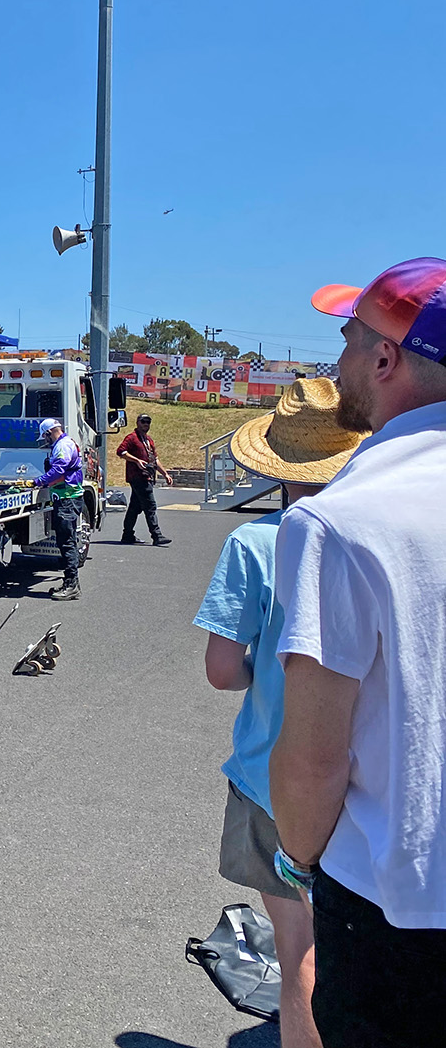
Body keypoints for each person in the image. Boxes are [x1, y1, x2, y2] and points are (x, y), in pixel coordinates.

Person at [270, 258, 446, 1046]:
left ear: (384, 359)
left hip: (395, 909)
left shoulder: (339, 522)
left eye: (346, 339)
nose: (334, 360)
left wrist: (295, 858)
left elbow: (312, 759)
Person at [194, 378, 364, 1048]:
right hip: (365, 779)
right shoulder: (379, 536)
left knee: (299, 947)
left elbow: (218, 669)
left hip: (273, 773)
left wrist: (258, 672)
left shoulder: (256, 544)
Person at [32, 417, 85, 600]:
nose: (45, 441)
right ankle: (70, 583)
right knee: (65, 541)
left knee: (67, 541)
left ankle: (72, 585)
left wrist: (38, 481)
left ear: (49, 432)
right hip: (65, 497)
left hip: (67, 498)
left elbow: (58, 470)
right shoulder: (66, 443)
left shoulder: (62, 446)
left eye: (45, 437)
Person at [116, 411, 173, 545]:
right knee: (150, 506)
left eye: (148, 422)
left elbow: (155, 459)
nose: (146, 424)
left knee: (135, 507)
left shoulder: (149, 440)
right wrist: (136, 460)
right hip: (137, 477)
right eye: (143, 422)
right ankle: (157, 535)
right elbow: (121, 451)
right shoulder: (131, 438)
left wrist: (165, 474)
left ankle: (127, 535)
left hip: (148, 476)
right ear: (137, 423)